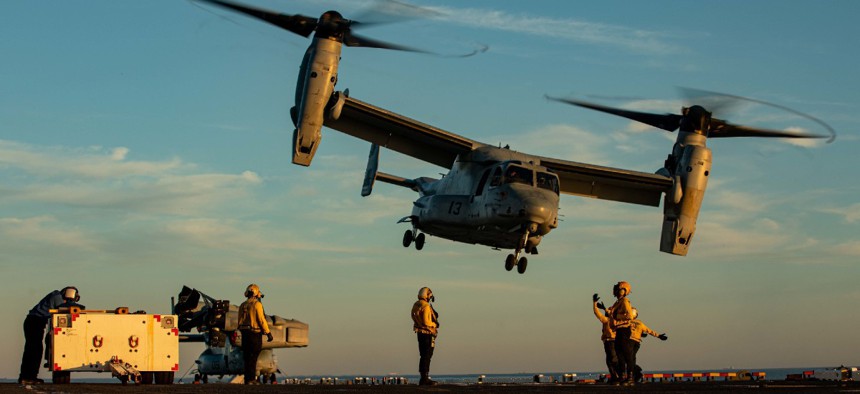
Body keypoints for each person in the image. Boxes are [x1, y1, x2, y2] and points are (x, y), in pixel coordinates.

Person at [19, 287, 85, 385]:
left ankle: (28, 376)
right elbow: (63, 307)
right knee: (33, 350)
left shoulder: (55, 295)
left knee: (34, 349)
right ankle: (27, 377)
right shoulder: (56, 296)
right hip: (34, 321)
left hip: (35, 322)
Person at [237, 284, 273, 385]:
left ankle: (247, 379)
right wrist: (268, 333)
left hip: (245, 334)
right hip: (255, 334)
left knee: (247, 357)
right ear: (256, 293)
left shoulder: (242, 305)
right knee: (253, 357)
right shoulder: (257, 304)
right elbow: (262, 320)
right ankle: (251, 379)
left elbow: (239, 321)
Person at [629, 308, 668, 382]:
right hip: (636, 343)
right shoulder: (639, 323)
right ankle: (635, 373)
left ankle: (636, 372)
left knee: (629, 359)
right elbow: (649, 331)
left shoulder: (626, 322)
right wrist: (658, 336)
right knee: (631, 358)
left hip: (630, 342)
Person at [609, 281, 636, 386]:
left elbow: (629, 316)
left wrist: (617, 317)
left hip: (624, 329)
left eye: (619, 289)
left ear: (624, 291)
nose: (616, 291)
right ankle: (623, 376)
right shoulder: (617, 302)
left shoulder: (624, 301)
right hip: (619, 330)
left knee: (626, 353)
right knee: (619, 353)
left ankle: (630, 376)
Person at [411, 287, 439, 386]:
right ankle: (425, 378)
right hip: (427, 333)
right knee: (427, 356)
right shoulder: (426, 306)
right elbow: (427, 321)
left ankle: (423, 377)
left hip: (419, 332)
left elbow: (413, 316)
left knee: (423, 355)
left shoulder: (416, 304)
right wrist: (434, 325)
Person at [592, 293, 619, 383]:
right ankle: (614, 376)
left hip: (612, 341)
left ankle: (617, 376)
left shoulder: (611, 320)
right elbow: (596, 312)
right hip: (608, 341)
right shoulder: (607, 320)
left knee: (613, 359)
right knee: (609, 360)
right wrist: (595, 303)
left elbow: (598, 313)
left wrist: (600, 306)